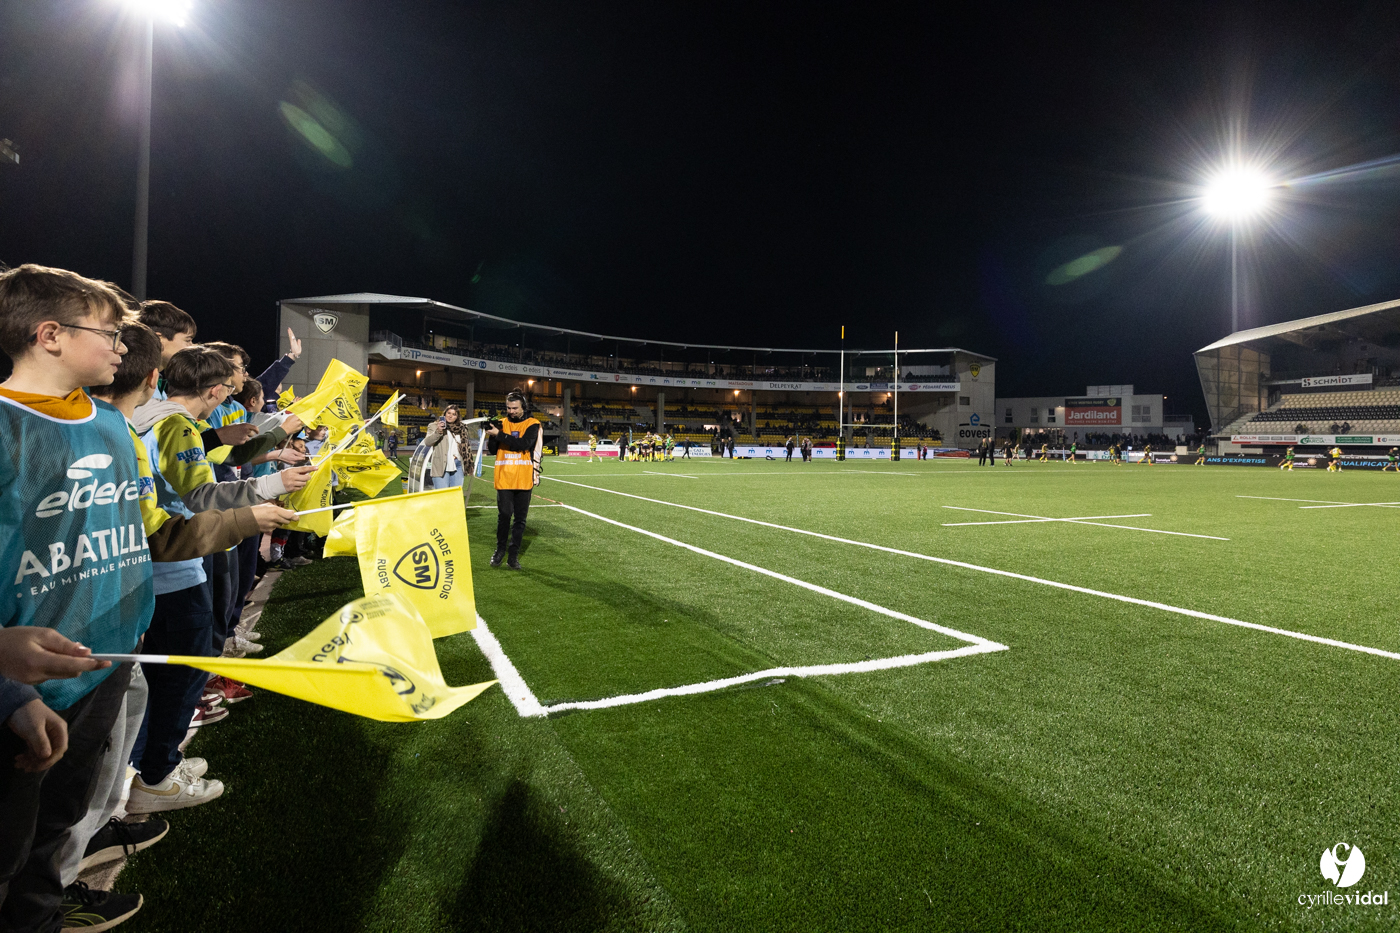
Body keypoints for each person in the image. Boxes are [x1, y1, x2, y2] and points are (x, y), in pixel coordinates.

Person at [486, 389, 542, 570]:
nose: (511, 411)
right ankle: (499, 551)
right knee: (504, 515)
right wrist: (491, 435)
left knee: (520, 520)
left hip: (524, 478)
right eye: (509, 408)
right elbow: (493, 450)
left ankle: (513, 556)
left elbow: (524, 444)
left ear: (523, 407)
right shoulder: (500, 423)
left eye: (515, 408)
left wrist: (499, 434)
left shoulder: (533, 424)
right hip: (504, 477)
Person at [423, 405, 472, 490]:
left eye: (454, 414)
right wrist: (438, 431)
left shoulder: (462, 428)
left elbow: (465, 447)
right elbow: (428, 442)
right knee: (442, 496)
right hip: (441, 464)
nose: (450, 416)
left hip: (458, 464)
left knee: (455, 495)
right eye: (448, 413)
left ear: (457, 417)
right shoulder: (434, 426)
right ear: (444, 413)